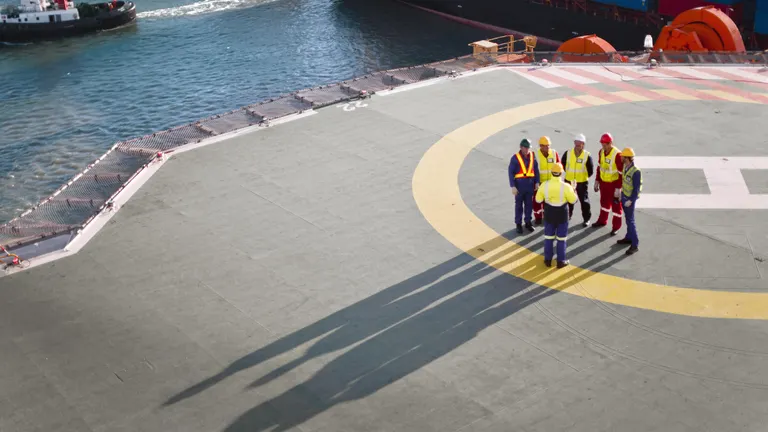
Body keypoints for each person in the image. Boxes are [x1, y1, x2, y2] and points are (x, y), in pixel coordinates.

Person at [535, 162, 578, 268]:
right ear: (561, 173)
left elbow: (538, 199)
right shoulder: (566, 186)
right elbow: (573, 201)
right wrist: (573, 189)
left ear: (551, 173)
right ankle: (560, 261)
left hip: (549, 213)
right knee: (561, 239)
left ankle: (548, 260)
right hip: (562, 215)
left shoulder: (544, 185)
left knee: (548, 237)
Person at [592, 132, 624, 235]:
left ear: (611, 143)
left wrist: (618, 188)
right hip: (604, 184)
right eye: (602, 144)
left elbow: (620, 173)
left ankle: (616, 227)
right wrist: (597, 181)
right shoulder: (601, 152)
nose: (603, 146)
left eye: (605, 144)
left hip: (614, 184)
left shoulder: (617, 155)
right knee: (604, 203)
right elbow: (599, 167)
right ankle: (602, 220)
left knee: (616, 207)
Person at [561, 133, 594, 227]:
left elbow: (590, 170)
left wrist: (582, 177)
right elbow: (562, 164)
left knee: (584, 201)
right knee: (568, 200)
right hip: (569, 181)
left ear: (583, 144)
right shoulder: (568, 153)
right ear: (574, 143)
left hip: (581, 182)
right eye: (576, 143)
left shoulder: (587, 155)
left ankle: (586, 219)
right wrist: (569, 174)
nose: (578, 146)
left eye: (580, 144)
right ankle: (568, 215)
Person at [508, 138, 540, 234]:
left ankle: (528, 222)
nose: (527, 150)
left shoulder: (532, 156)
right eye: (525, 148)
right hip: (519, 185)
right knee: (519, 206)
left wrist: (537, 182)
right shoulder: (515, 158)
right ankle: (518, 224)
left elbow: (536, 170)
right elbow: (510, 172)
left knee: (529, 205)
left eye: (528, 148)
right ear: (521, 147)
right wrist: (513, 186)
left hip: (530, 184)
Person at [617, 147, 642, 255]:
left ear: (627, 158)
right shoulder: (625, 166)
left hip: (629, 200)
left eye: (623, 156)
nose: (621, 157)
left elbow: (636, 189)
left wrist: (631, 200)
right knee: (627, 219)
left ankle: (635, 244)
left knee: (631, 221)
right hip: (624, 196)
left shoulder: (636, 171)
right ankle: (629, 237)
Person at [532, 135, 560, 225]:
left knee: (550, 200)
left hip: (551, 182)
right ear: (541, 146)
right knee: (537, 201)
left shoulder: (554, 153)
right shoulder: (535, 155)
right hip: (539, 182)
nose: (547, 147)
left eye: (548, 145)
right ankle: (538, 217)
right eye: (545, 146)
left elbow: (559, 166)